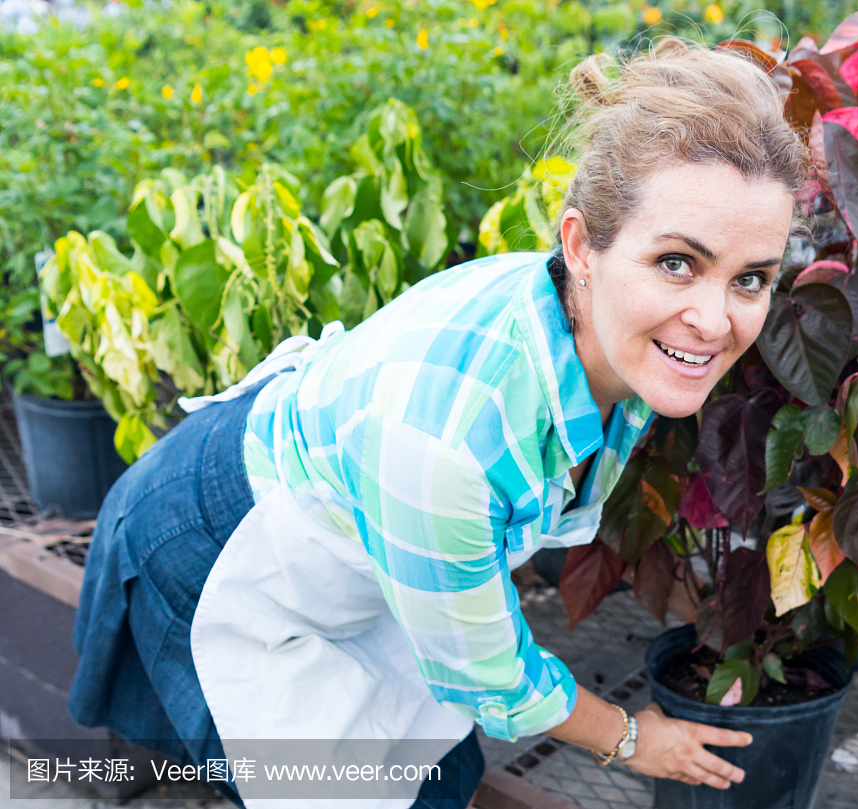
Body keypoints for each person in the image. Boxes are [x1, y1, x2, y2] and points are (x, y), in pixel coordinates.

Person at [68, 37, 809, 808]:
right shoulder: (451, 442)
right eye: (677, 263)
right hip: (217, 546)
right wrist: (631, 736)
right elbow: (492, 682)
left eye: (750, 278)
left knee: (437, 775)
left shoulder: (602, 335)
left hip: (359, 530)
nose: (714, 320)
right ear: (581, 245)